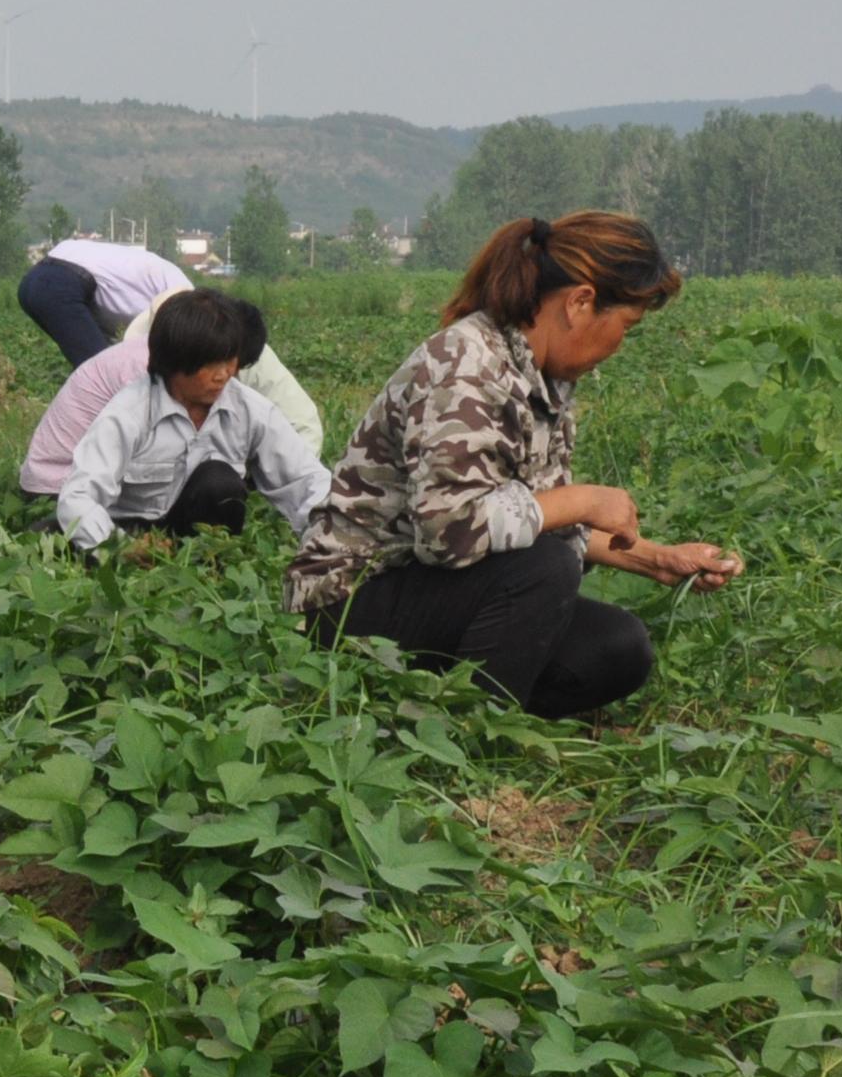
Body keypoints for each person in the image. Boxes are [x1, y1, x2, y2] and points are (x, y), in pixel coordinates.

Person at [288, 212, 738, 719]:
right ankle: (472, 738)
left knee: (618, 646)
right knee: (546, 568)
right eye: (626, 327)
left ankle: (425, 710)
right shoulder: (465, 367)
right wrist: (585, 499)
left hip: (440, 593)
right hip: (352, 598)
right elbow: (449, 533)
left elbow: (525, 519)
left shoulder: (543, 376)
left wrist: (659, 560)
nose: (619, 347)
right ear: (581, 302)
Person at [53, 288, 331, 551]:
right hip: (130, 528)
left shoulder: (250, 409)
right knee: (59, 534)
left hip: (203, 536)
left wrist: (329, 535)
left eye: (229, 361)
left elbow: (306, 479)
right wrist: (122, 548)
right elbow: (79, 496)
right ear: (175, 362)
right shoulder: (129, 412)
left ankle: (211, 564)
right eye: (210, 364)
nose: (223, 375)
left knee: (220, 482)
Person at [18, 285, 325, 497]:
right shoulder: (145, 373)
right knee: (214, 488)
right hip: (58, 487)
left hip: (87, 479)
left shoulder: (172, 364)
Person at [16, 235, 192, 368]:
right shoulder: (181, 293)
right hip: (60, 282)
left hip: (35, 280)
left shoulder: (159, 295)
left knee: (94, 370)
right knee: (103, 374)